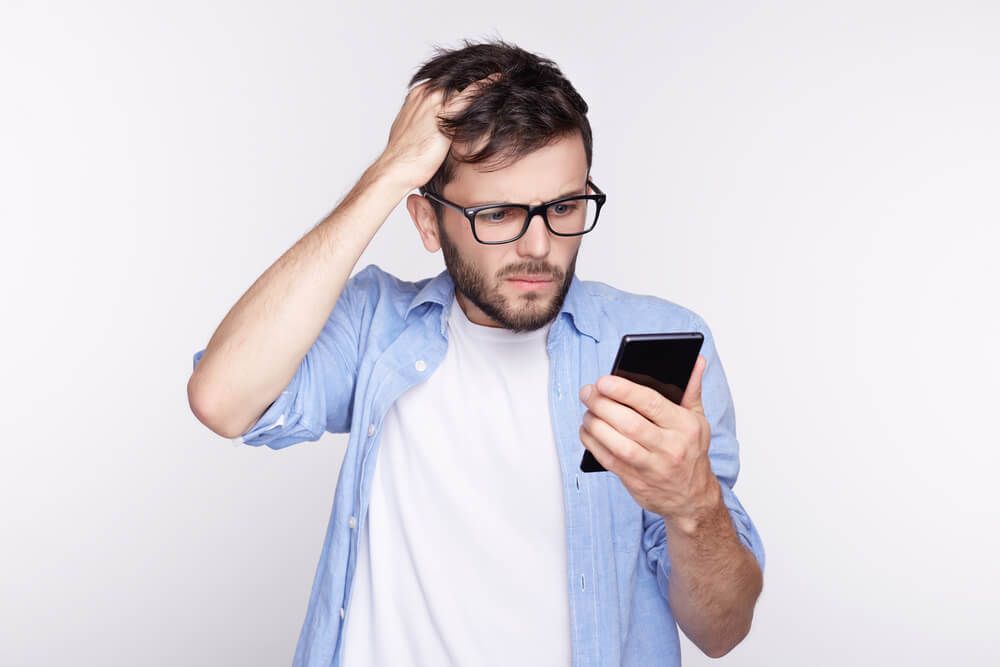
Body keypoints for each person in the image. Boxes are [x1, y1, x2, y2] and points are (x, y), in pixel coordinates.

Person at [188, 38, 765, 667]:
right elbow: (222, 400)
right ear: (428, 222)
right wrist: (387, 173)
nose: (540, 246)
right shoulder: (375, 325)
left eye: (564, 207)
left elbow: (722, 629)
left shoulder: (652, 343)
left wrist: (694, 504)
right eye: (497, 213)